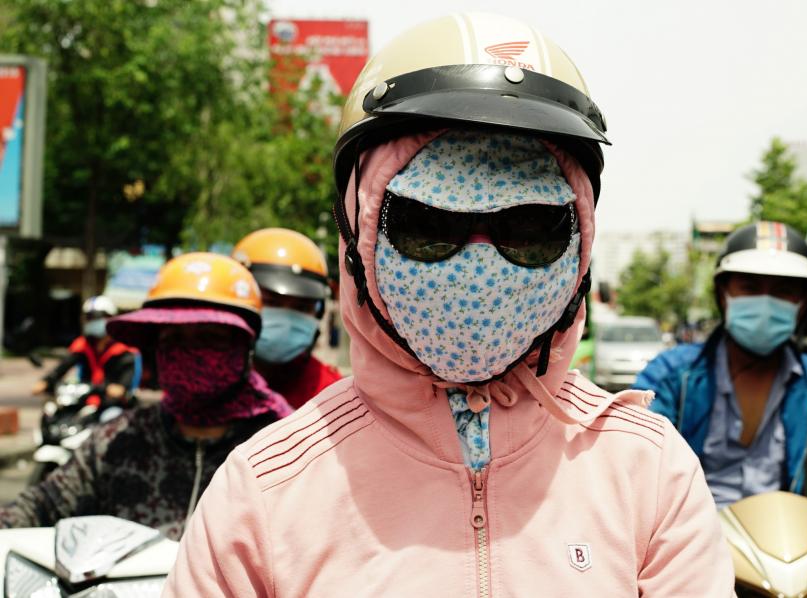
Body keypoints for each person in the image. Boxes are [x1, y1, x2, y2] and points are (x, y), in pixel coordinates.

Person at [165, 13, 734, 596]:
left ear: (581, 245)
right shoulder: (265, 492)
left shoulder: (650, 473)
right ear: (357, 237)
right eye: (428, 224)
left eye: (529, 228)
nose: (479, 266)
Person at [0, 253, 292, 540]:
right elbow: (41, 506)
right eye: (173, 339)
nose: (188, 353)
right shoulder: (118, 440)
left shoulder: (283, 448)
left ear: (245, 348)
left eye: (209, 337)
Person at [635, 221, 807, 518]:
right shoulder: (671, 375)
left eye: (783, 291)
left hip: (791, 543)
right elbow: (635, 459)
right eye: (750, 287)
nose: (766, 302)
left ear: (802, 303)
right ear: (723, 294)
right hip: (686, 541)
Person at [232, 228, 341, 410]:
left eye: (302, 307)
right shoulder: (205, 379)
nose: (286, 321)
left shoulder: (332, 396)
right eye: (271, 302)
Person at [31, 295, 139, 405]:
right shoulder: (83, 344)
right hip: (84, 399)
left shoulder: (124, 349)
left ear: (110, 318)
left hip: (113, 403)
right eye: (88, 318)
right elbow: (64, 365)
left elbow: (125, 382)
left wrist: (120, 388)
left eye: (96, 317)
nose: (92, 322)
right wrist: (46, 381)